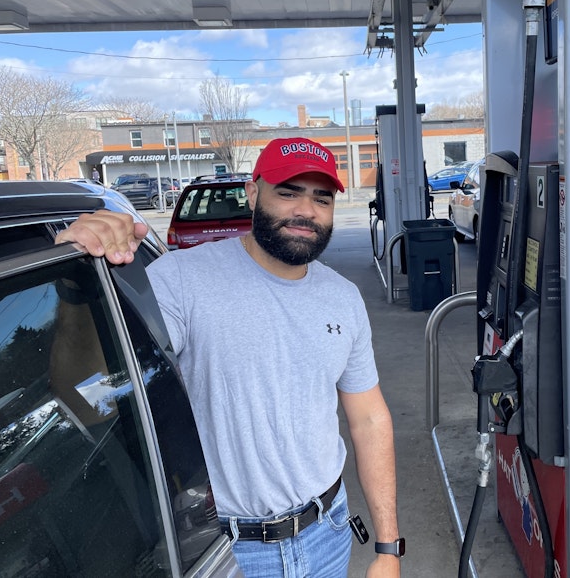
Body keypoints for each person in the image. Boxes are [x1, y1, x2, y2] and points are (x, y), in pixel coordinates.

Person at [57, 137, 402, 577]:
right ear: (253, 192)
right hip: (229, 549)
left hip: (327, 532)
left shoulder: (344, 298)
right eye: (288, 191)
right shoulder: (183, 280)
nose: (306, 211)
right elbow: (88, 398)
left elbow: (369, 419)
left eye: (322, 197)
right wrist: (75, 288)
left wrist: (388, 547)